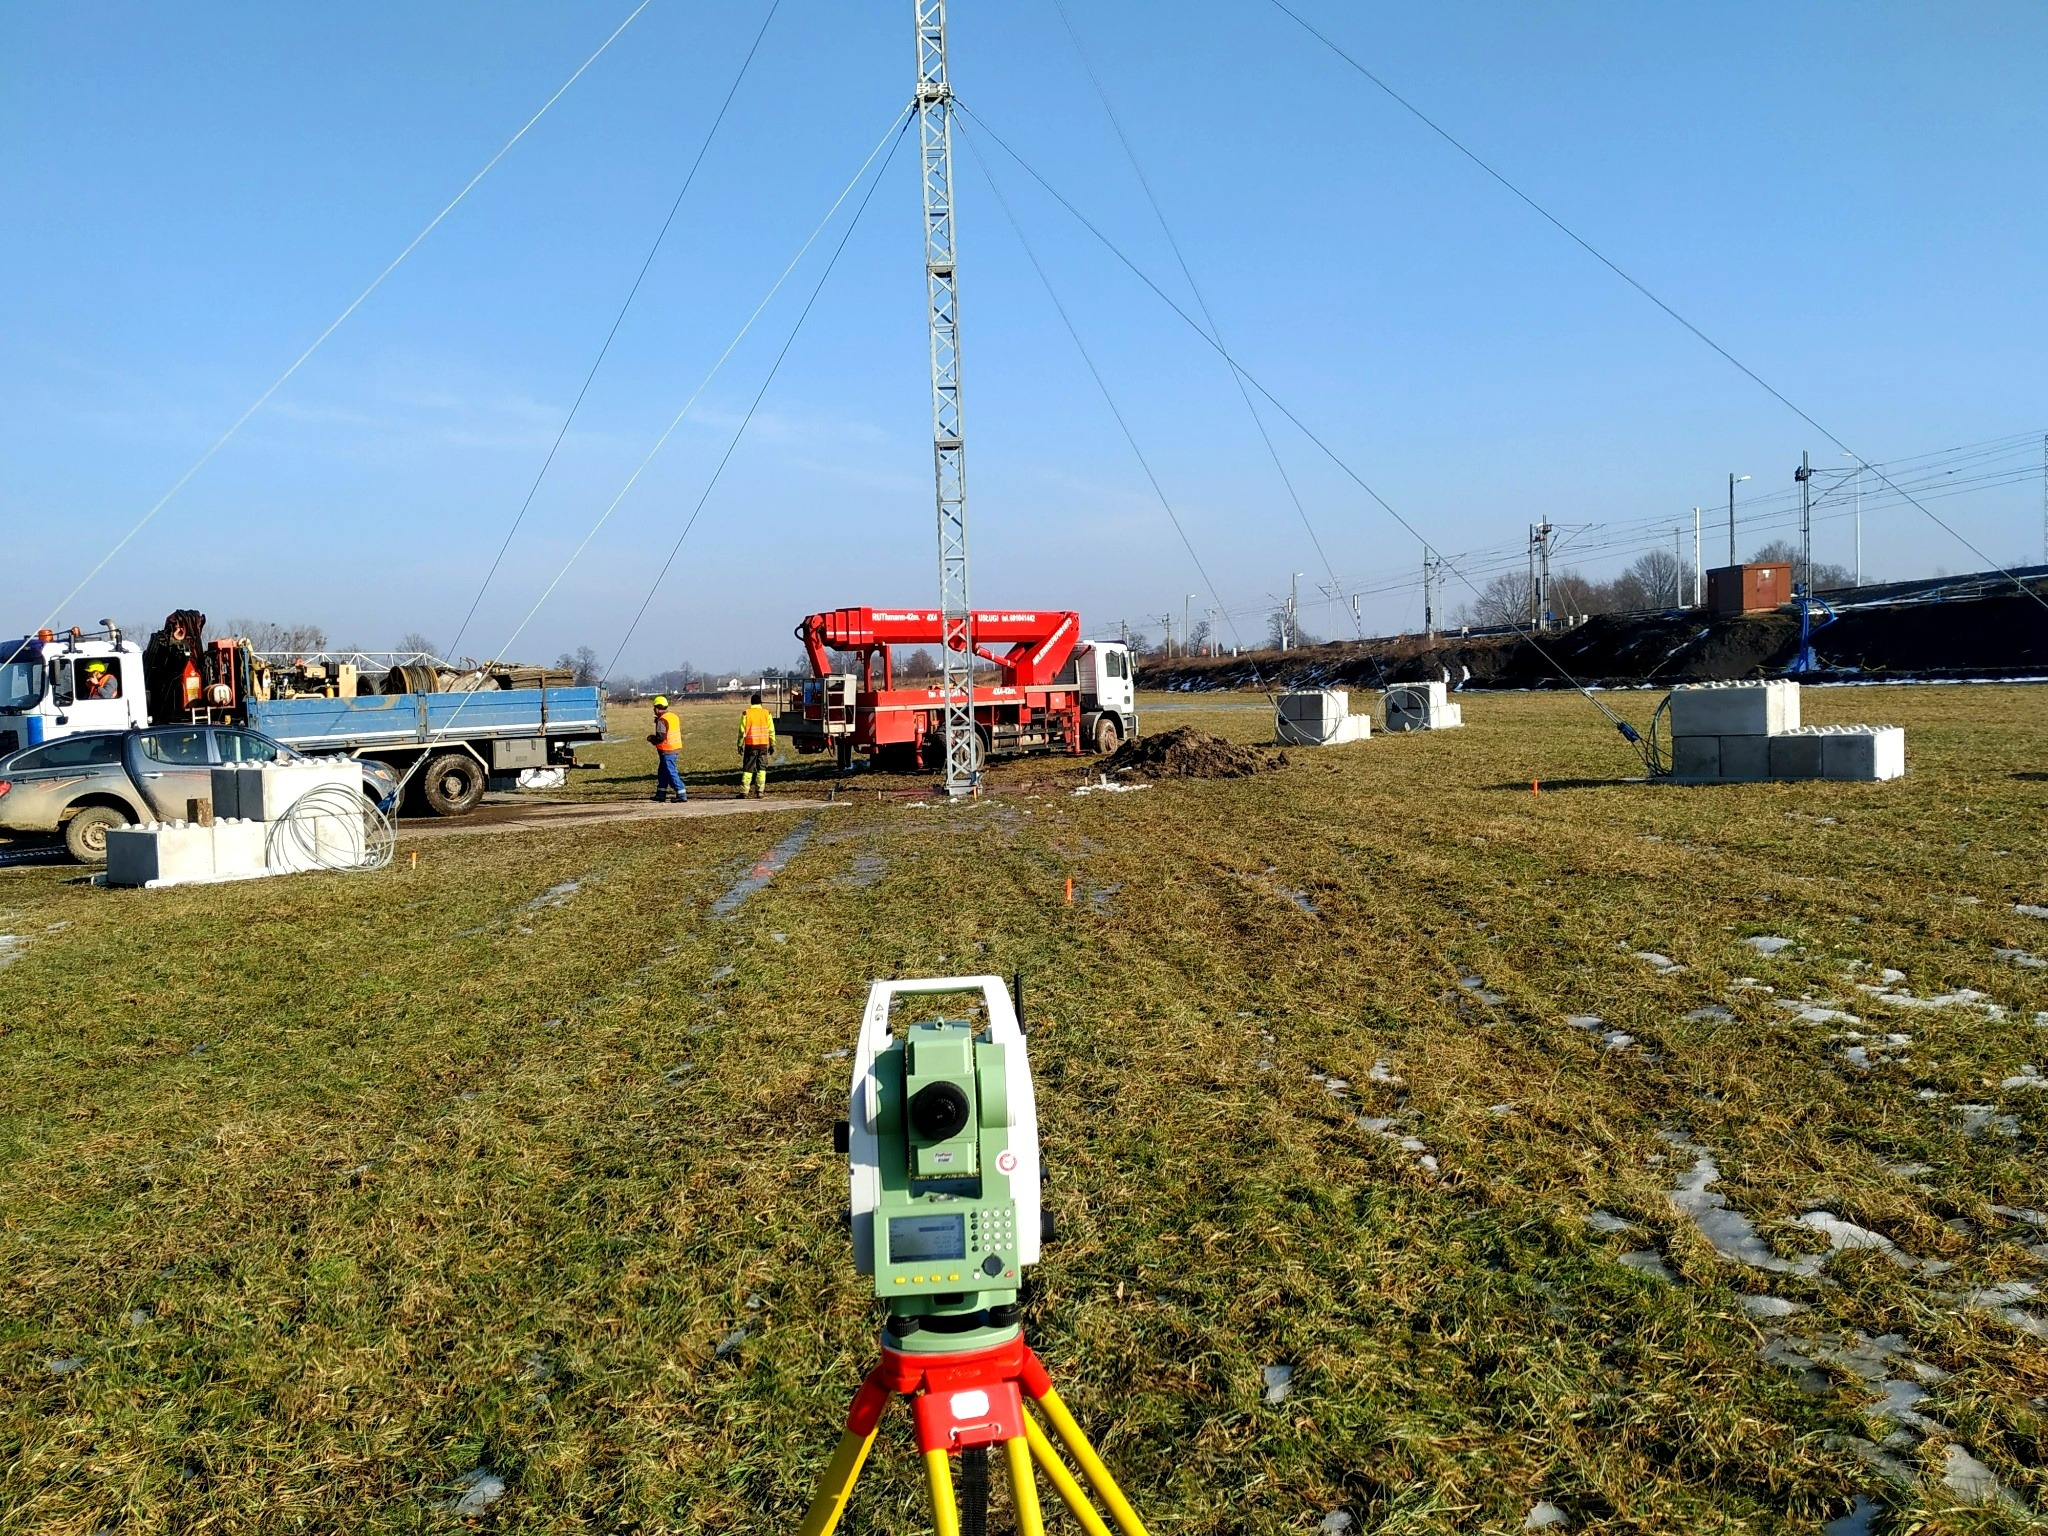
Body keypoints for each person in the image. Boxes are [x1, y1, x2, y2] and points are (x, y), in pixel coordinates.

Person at [736, 691, 775, 798]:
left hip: (751, 745)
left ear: (751, 702)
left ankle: (744, 792)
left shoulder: (746, 713)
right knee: (761, 769)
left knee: (748, 769)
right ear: (760, 703)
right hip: (763, 746)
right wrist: (772, 744)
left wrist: (739, 744)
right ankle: (760, 792)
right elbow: (771, 730)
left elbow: (741, 731)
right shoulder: (767, 713)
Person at [648, 695, 686, 803]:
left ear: (657, 708)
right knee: (663, 772)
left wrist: (651, 739)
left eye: (654, 707)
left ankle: (681, 793)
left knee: (670, 772)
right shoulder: (673, 716)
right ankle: (661, 794)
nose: (653, 710)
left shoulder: (662, 720)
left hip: (667, 750)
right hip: (674, 748)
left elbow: (661, 737)